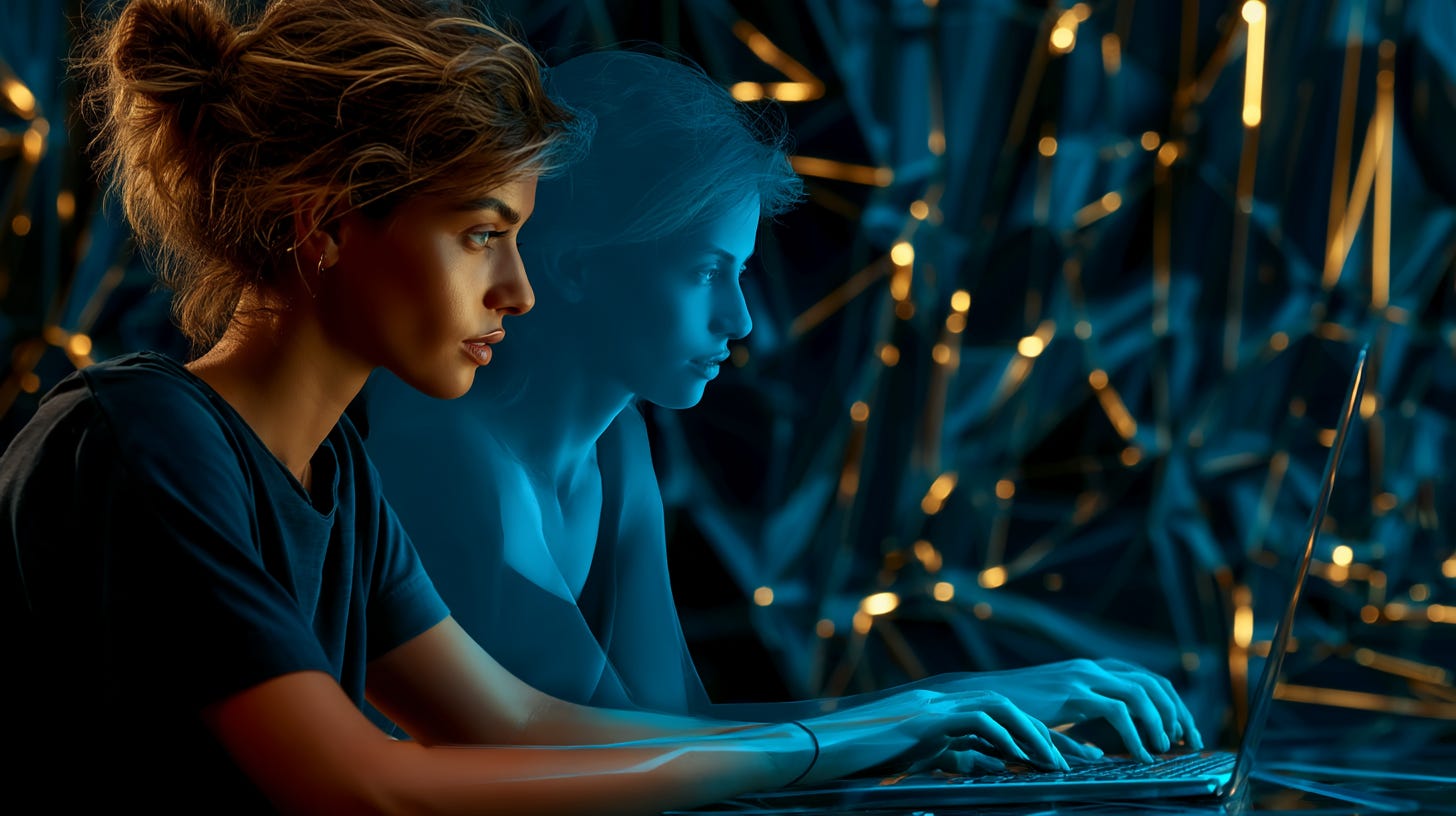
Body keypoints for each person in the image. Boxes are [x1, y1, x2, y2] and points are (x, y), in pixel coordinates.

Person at [0, 2, 1073, 813]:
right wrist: (873, 730)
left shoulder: (335, 478)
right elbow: (367, 786)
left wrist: (916, 723)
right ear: (324, 226)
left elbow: (516, 721)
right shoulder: (140, 440)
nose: (517, 289)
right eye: (481, 234)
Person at [361, 48, 1205, 773]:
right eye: (702, 273)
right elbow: (582, 753)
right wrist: (920, 709)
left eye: (741, 273)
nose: (741, 321)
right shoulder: (445, 442)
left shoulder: (616, 437)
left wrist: (918, 729)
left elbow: (670, 727)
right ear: (579, 266)